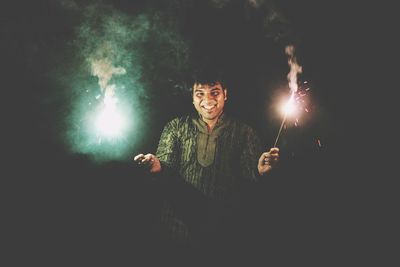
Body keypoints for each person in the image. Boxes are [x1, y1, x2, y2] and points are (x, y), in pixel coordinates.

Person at [134, 74, 279, 247]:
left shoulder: (244, 132)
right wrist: (155, 166)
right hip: (176, 226)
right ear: (193, 98)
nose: (208, 100)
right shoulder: (176, 127)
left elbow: (249, 176)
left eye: (214, 92)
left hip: (222, 229)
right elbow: (166, 168)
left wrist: (259, 171)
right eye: (200, 94)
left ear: (225, 94)